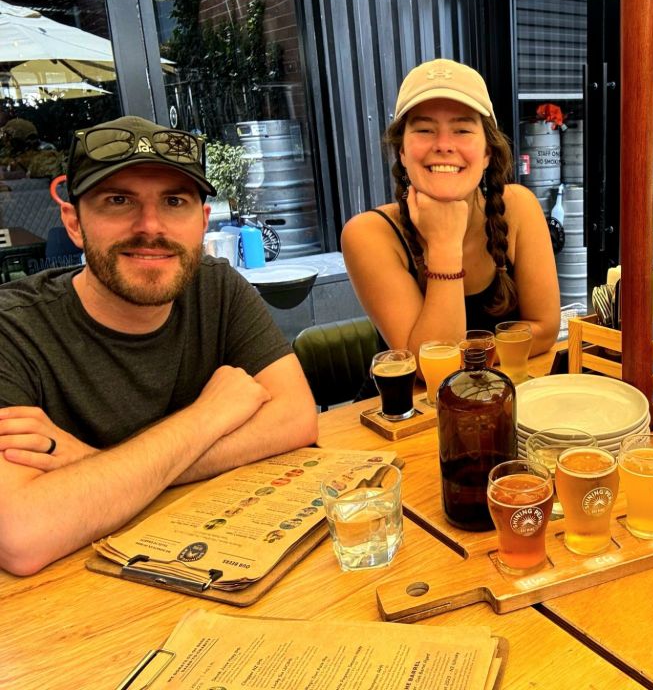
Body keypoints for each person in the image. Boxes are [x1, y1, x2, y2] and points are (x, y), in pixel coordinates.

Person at [0, 115, 317, 576]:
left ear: (202, 222)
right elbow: (22, 535)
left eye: (174, 201)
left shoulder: (217, 287)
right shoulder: (13, 329)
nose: (150, 226)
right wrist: (207, 416)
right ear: (74, 223)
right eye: (118, 200)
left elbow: (296, 418)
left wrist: (93, 465)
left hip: (216, 573)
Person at [341, 59, 559, 369]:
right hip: (413, 400)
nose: (443, 145)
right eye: (425, 129)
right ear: (402, 152)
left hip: (503, 390)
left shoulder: (519, 207)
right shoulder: (368, 234)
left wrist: (465, 355)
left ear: (487, 153)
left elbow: (545, 328)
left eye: (462, 130)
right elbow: (432, 368)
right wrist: (444, 244)